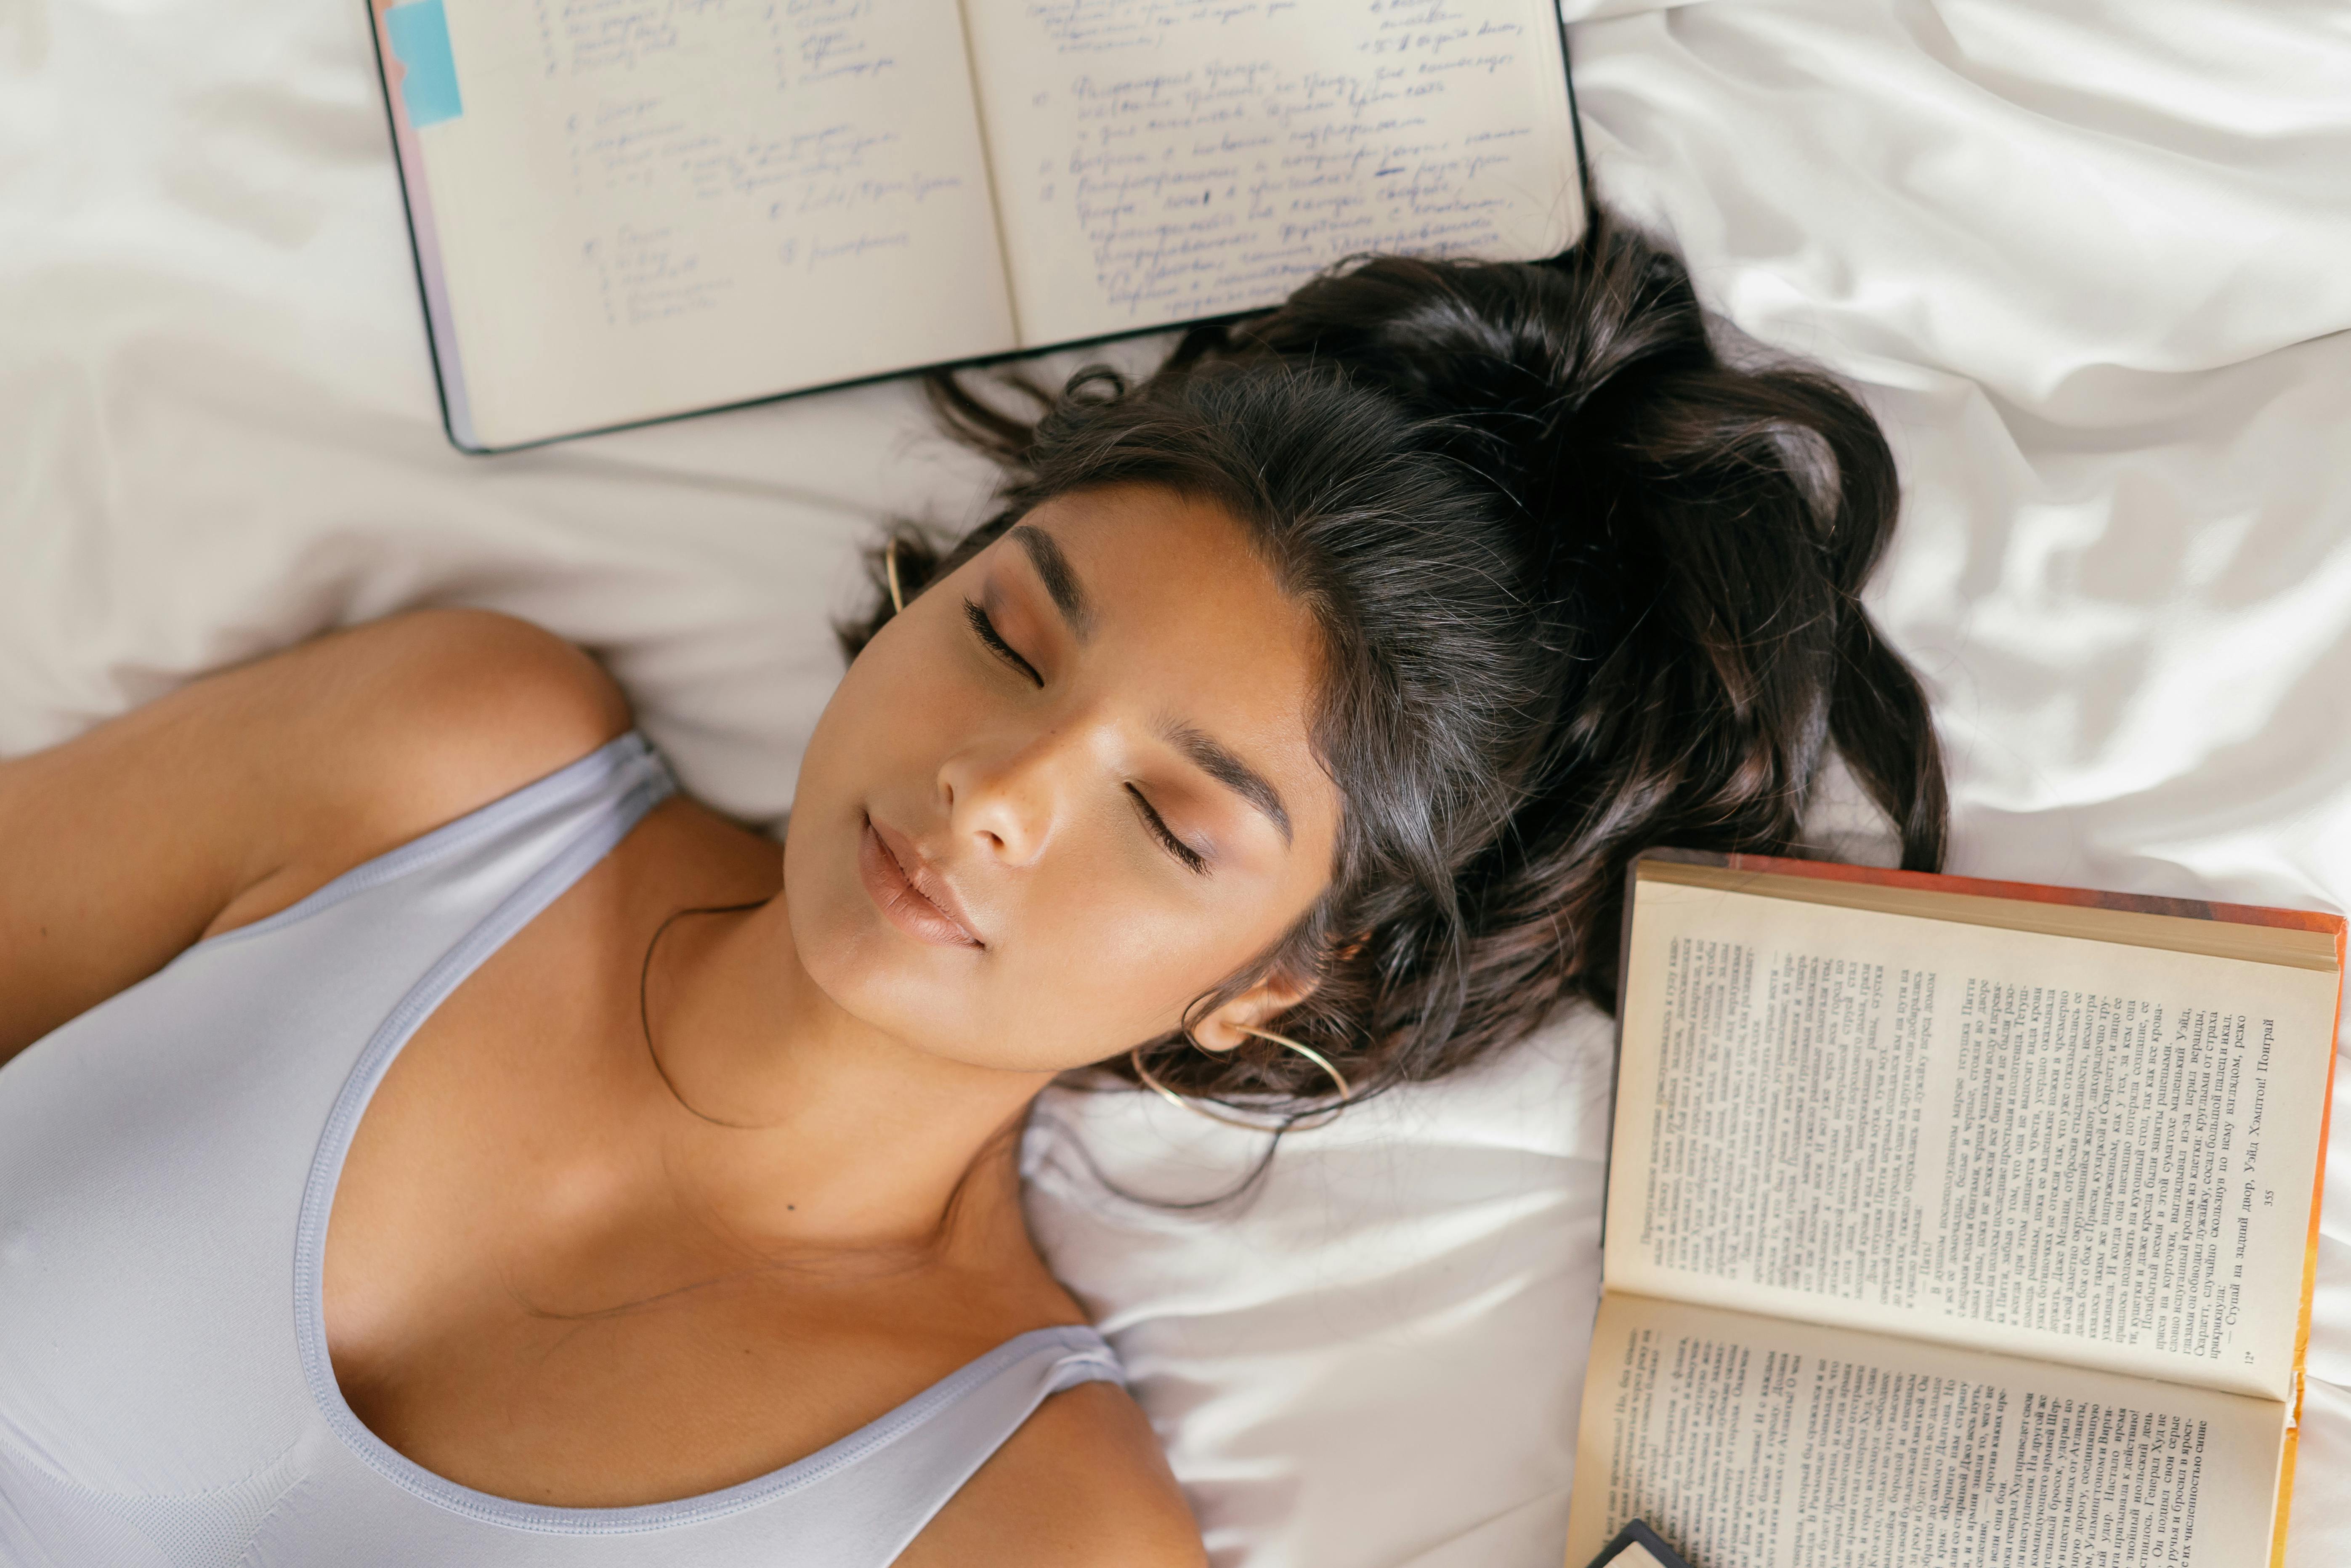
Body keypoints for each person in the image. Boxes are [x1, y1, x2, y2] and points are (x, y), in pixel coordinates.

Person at [0, 213, 1945, 1565]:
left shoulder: (1022, 1527)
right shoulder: (436, 763)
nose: (997, 790)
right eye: (1010, 637)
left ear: (1274, 982)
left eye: (1171, 824)